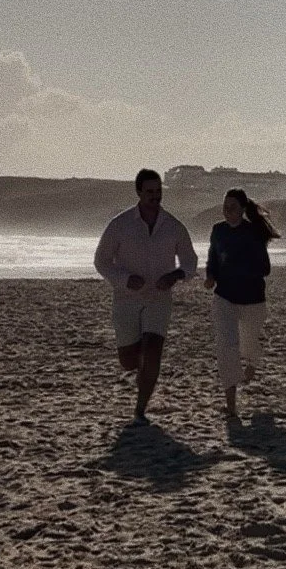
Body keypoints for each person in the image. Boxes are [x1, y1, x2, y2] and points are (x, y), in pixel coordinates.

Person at [94, 168, 198, 426]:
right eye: (150, 191)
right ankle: (139, 357)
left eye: (158, 191)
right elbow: (101, 261)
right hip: (126, 299)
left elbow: (190, 261)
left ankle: (140, 409)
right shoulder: (120, 224)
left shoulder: (173, 226)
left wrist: (175, 275)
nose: (155, 196)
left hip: (158, 299)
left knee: (153, 352)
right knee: (129, 362)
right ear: (139, 192)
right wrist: (124, 279)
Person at [204, 188, 280, 421]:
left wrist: (238, 268)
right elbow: (213, 259)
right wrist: (210, 276)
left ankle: (253, 361)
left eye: (232, 207)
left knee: (248, 345)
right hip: (224, 297)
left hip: (252, 300)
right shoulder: (218, 230)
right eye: (225, 207)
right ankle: (231, 406)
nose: (227, 211)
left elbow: (265, 268)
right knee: (226, 348)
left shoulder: (253, 232)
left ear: (242, 209)